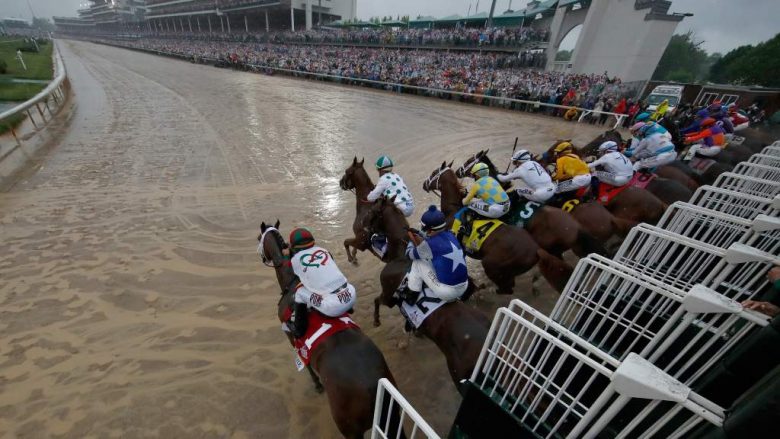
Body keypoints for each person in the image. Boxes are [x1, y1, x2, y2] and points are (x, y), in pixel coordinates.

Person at [288, 227, 357, 338]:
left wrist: (288, 253)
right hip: (351, 294)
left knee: (300, 292)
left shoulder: (295, 259)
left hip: (332, 307)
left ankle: (299, 328)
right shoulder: (324, 250)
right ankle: (349, 308)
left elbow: (296, 273)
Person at [401, 206, 469, 304]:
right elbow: (436, 236)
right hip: (464, 285)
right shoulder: (451, 234)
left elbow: (409, 255)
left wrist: (410, 242)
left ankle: (411, 295)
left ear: (429, 230)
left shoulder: (428, 245)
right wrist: (420, 233)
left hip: (447, 292)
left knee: (417, 263)